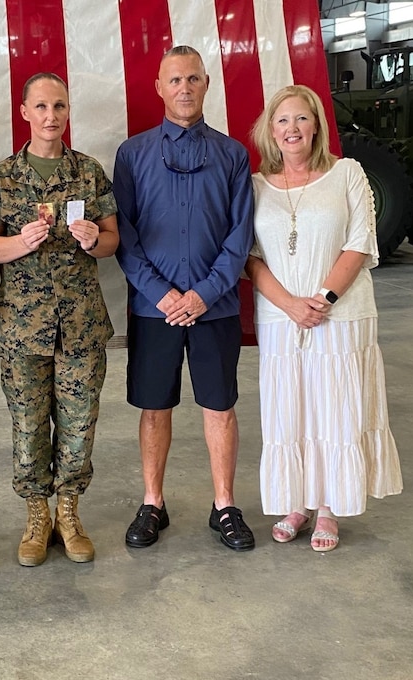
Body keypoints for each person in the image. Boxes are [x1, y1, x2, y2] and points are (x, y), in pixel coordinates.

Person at [246, 84, 402, 552]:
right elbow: (250, 258)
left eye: (301, 119)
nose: (292, 129)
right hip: (280, 317)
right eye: (282, 121)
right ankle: (297, 502)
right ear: (270, 131)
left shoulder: (347, 174)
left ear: (316, 125)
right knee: (290, 408)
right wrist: (291, 305)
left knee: (334, 406)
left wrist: (323, 298)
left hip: (341, 314)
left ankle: (329, 506)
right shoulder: (256, 186)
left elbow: (360, 242)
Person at [113, 45, 255, 552]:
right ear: (159, 86)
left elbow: (241, 237)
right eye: (175, 80)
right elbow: (124, 237)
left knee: (220, 407)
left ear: (207, 83)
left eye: (193, 78)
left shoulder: (234, 155)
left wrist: (204, 293)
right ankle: (153, 501)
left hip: (214, 307)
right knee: (155, 407)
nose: (185, 88)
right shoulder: (132, 155)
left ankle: (224, 505)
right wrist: (164, 294)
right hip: (155, 310)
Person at [0, 72, 119, 567]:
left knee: (79, 425)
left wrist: (92, 240)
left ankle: (69, 511)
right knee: (30, 426)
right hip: (22, 327)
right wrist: (20, 243)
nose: (50, 116)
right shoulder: (3, 176)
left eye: (58, 106)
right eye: (41, 107)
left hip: (80, 325)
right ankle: (37, 515)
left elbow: (113, 240)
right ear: (25, 112)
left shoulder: (90, 173)